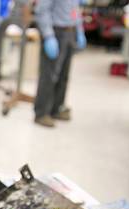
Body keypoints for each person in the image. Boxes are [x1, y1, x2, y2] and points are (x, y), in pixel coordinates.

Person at [33, 0, 86, 128]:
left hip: (70, 31)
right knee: (49, 74)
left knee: (63, 75)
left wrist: (79, 30)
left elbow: (75, 9)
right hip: (56, 32)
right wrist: (48, 36)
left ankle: (56, 109)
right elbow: (42, 11)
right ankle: (41, 113)